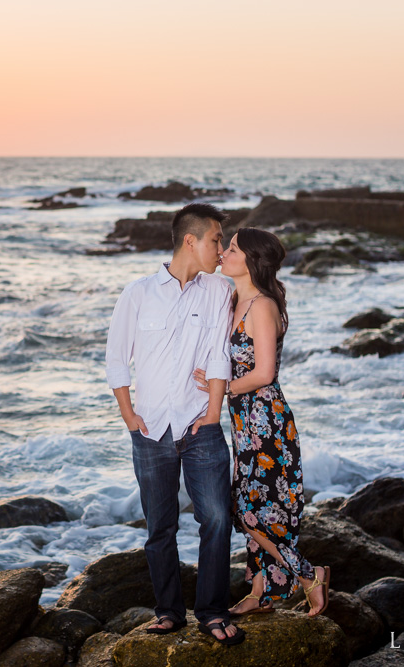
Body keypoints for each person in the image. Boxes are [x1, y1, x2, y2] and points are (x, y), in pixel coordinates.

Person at [105, 203, 244, 645]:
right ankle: (168, 611)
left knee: (218, 519)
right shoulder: (139, 292)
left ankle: (212, 611)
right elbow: (115, 357)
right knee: (159, 526)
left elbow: (220, 354)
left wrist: (215, 410)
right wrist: (130, 416)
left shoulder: (219, 291)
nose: (220, 249)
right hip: (150, 430)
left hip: (200, 424)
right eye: (217, 239)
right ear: (191, 240)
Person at [193, 227, 330, 619]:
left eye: (232, 248)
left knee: (247, 510)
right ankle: (260, 592)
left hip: (268, 422)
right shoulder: (235, 298)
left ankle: (310, 574)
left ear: (252, 259)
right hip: (246, 423)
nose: (223, 253)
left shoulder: (263, 306)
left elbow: (265, 373)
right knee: (260, 507)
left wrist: (219, 390)